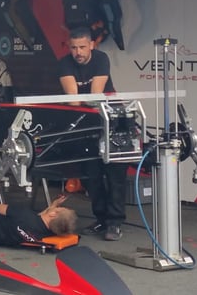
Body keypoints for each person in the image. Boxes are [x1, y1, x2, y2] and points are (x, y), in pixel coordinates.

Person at [58, 27, 128, 241]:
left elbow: (96, 95)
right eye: (73, 48)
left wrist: (82, 98)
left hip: (112, 120)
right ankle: (101, 219)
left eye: (82, 47)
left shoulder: (101, 59)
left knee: (115, 174)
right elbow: (73, 100)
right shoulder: (64, 63)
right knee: (90, 175)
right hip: (86, 122)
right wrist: (81, 100)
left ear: (91, 45)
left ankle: (114, 223)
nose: (78, 52)